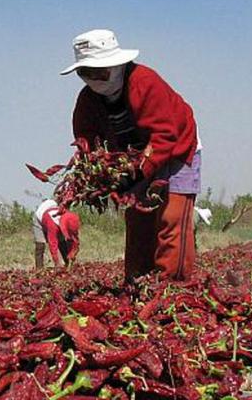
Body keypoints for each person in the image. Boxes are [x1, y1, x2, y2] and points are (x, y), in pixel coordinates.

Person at [62, 29, 201, 282]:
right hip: (133, 159)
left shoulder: (145, 82)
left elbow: (164, 136)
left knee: (171, 218)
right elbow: (87, 143)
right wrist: (100, 176)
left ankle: (173, 286)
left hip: (178, 149)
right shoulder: (87, 101)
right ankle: (138, 284)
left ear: (117, 65)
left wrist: (137, 172)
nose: (93, 79)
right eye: (85, 73)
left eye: (99, 71)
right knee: (138, 219)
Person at [32, 199, 80, 269]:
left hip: (50, 213)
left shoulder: (68, 218)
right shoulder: (53, 225)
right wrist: (57, 262)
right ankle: (39, 269)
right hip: (39, 219)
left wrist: (72, 254)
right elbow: (53, 244)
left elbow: (74, 241)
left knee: (62, 243)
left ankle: (68, 264)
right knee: (40, 245)